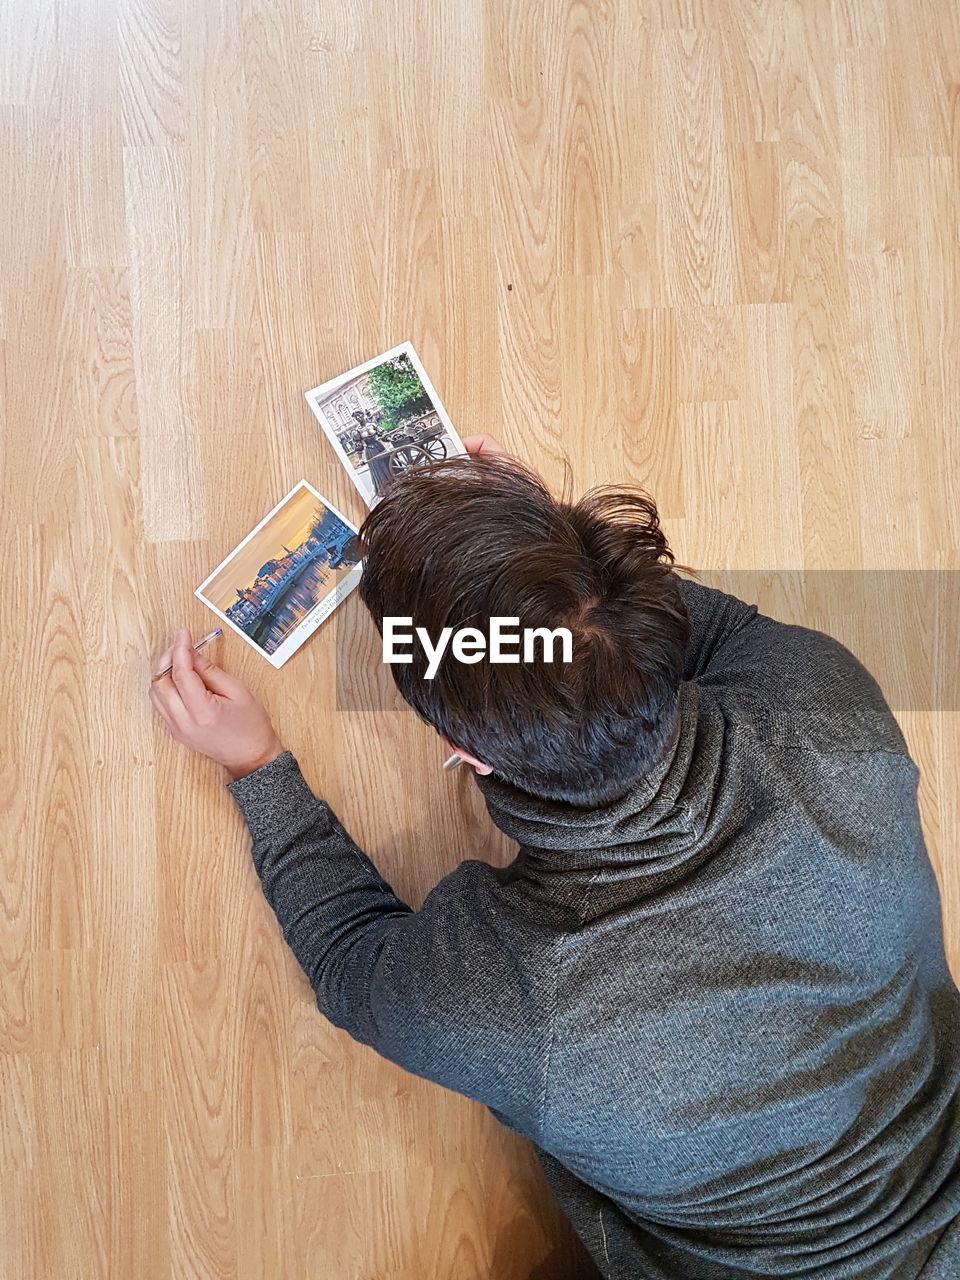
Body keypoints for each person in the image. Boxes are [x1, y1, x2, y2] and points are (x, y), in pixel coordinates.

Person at [150, 436, 960, 1279]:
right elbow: (704, 633)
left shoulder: (510, 1004)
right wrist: (547, 569)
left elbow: (350, 957)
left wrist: (255, 765)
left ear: (466, 754)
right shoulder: (832, 714)